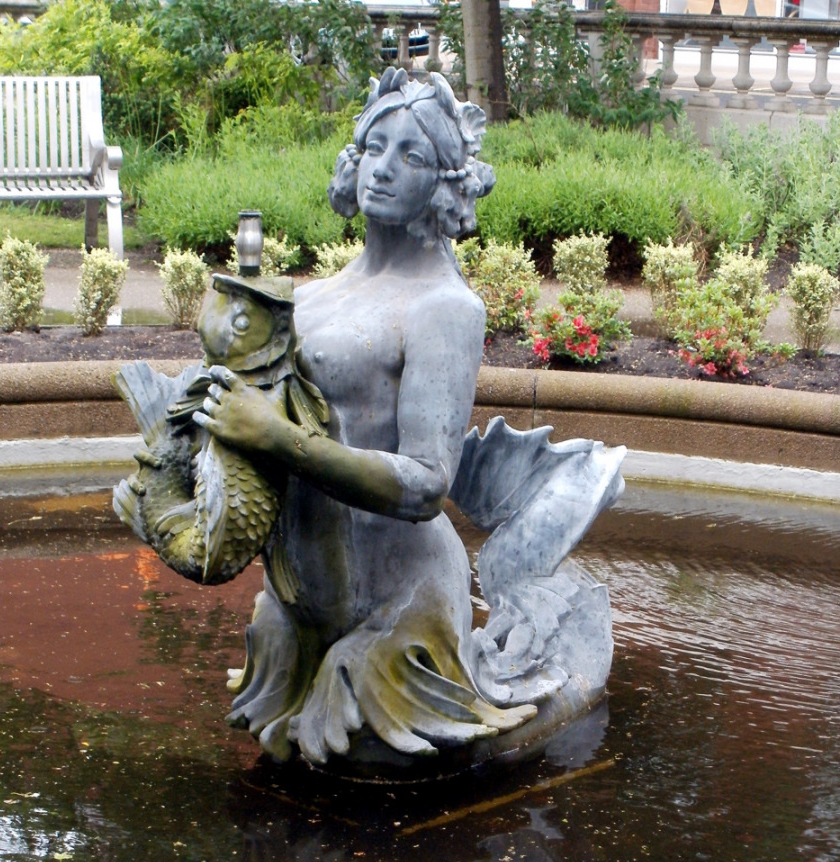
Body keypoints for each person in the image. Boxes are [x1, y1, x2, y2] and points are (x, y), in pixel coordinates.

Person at [194, 69, 621, 767]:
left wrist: (280, 439)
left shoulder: (444, 309)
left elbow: (426, 484)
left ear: (446, 181)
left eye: (411, 155)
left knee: (375, 758)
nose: (382, 168)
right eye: (374, 146)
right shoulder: (311, 295)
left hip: (400, 601)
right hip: (300, 603)